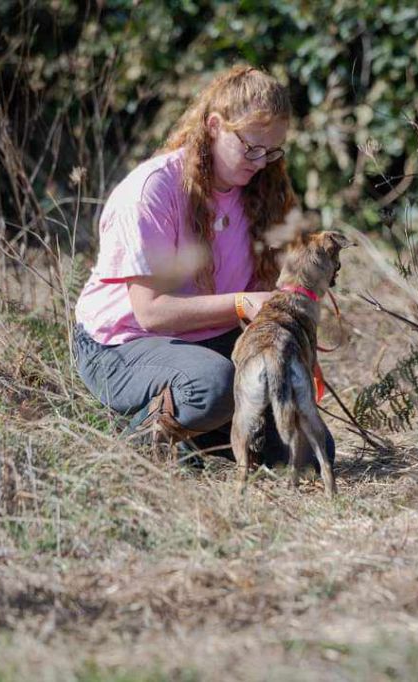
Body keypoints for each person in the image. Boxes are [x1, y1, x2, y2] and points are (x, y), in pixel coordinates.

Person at [72, 65, 335, 467]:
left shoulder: (260, 193)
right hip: (121, 344)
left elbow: (265, 300)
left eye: (273, 151)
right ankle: (127, 454)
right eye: (252, 148)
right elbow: (152, 312)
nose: (262, 162)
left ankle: (192, 436)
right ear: (214, 127)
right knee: (212, 384)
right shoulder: (152, 190)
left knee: (312, 454)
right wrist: (243, 304)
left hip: (210, 344)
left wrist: (291, 344)